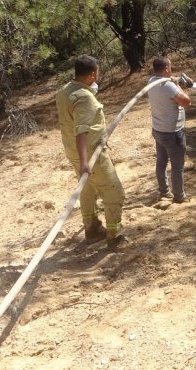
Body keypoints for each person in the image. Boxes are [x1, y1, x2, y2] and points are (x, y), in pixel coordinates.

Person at [55, 55, 126, 249]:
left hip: (74, 153)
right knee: (115, 193)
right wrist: (86, 162)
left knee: (87, 190)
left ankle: (92, 229)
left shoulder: (64, 91)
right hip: (91, 155)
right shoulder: (84, 97)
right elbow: (81, 131)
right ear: (93, 74)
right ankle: (114, 236)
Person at [147, 56, 192, 204]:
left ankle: (163, 192)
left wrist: (178, 79)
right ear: (166, 68)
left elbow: (169, 80)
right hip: (173, 133)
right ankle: (179, 196)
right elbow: (187, 102)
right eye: (170, 67)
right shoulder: (168, 86)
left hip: (159, 130)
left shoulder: (152, 81)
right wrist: (178, 85)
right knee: (177, 166)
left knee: (161, 162)